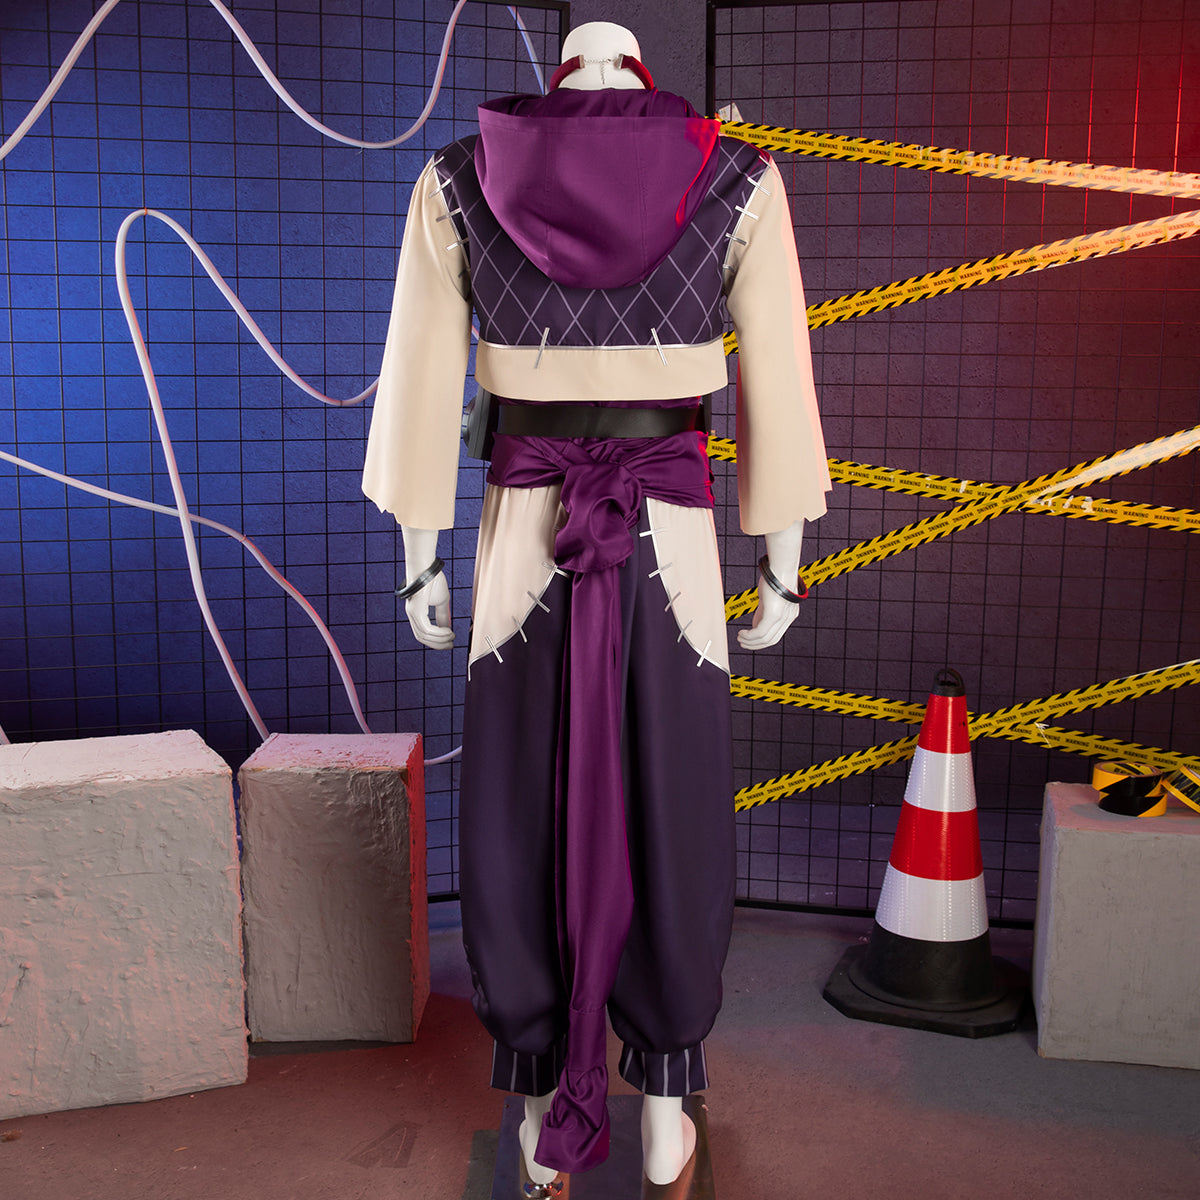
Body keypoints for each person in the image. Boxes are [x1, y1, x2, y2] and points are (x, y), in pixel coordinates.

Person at [362, 21, 829, 1193]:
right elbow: (777, 371)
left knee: (518, 796)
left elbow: (420, 375)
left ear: (566, 70)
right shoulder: (738, 178)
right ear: (640, 71)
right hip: (673, 531)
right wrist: (781, 558)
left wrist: (420, 553)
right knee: (674, 792)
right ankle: (666, 1097)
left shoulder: (460, 176)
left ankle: (535, 1100)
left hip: (522, 532)